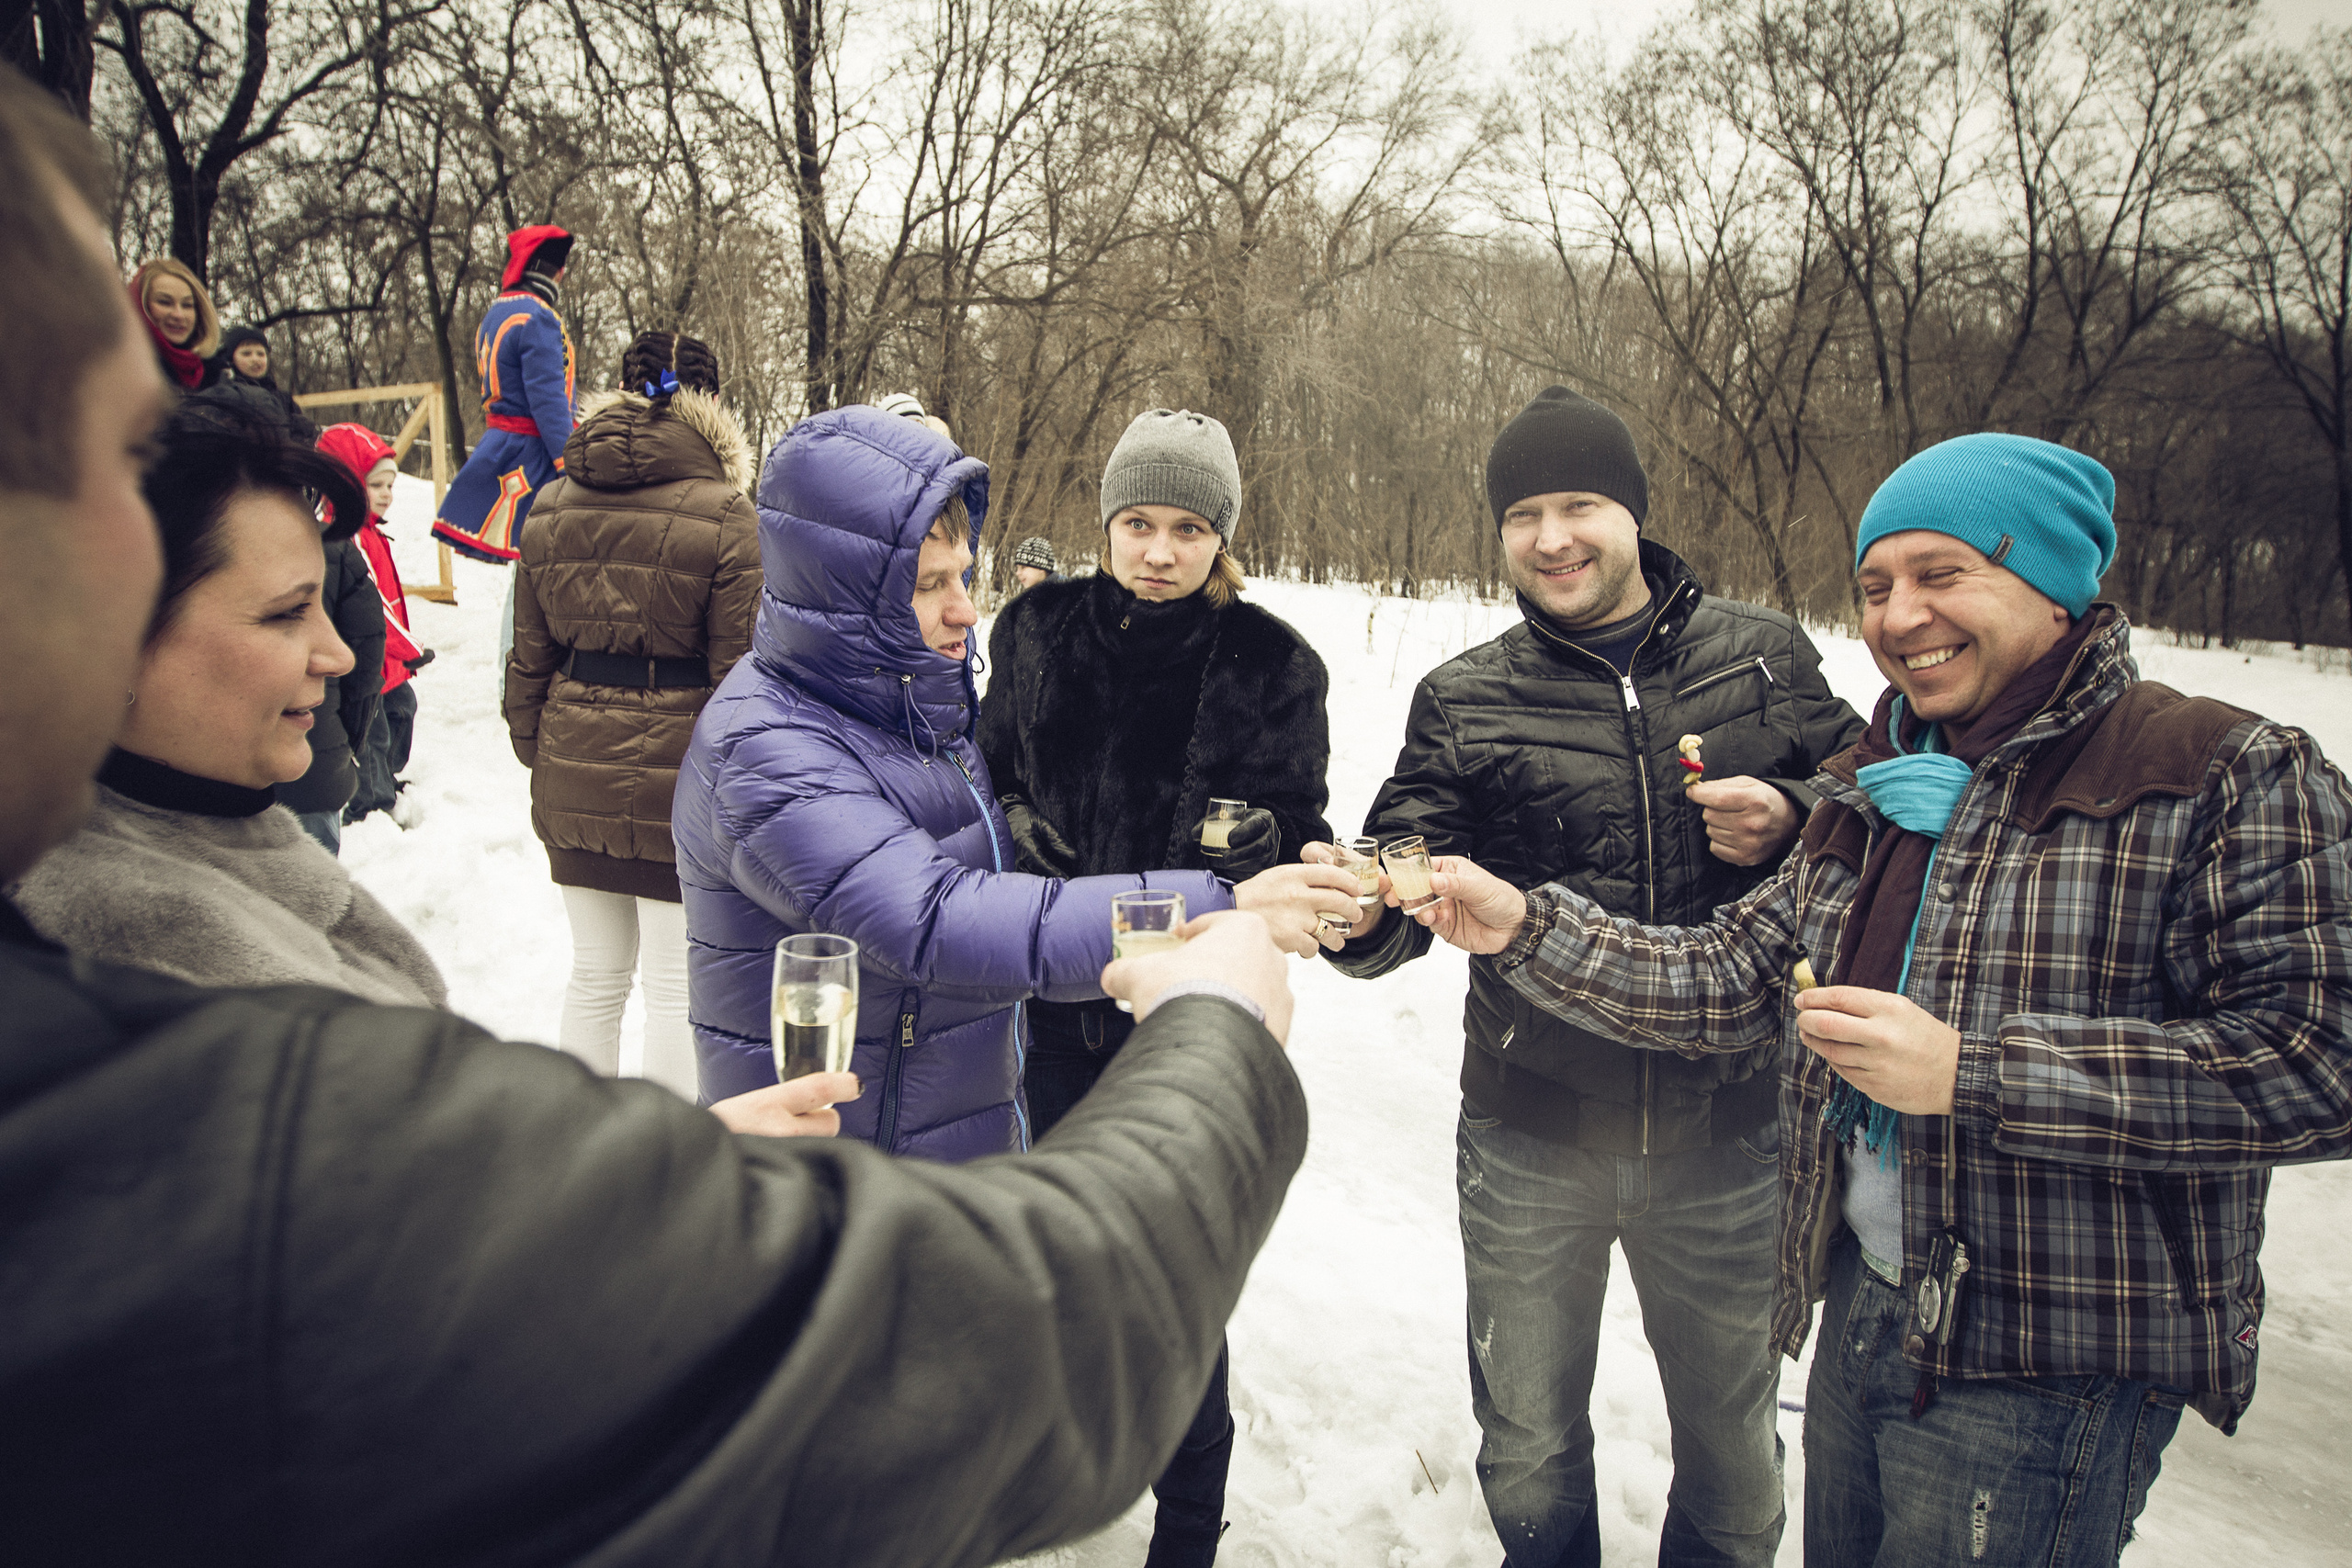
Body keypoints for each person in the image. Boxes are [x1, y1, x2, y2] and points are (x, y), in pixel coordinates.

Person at [0, 63, 1322, 1565]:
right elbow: (948, 963)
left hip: (914, 1109)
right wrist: (1202, 952)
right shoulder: (222, 1091)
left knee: (601, 985)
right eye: (119, 450)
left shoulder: (984, 684)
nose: (337, 649)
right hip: (890, 1158)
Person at [1407, 433, 2352, 1568]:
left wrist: (1972, 1075)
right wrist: (1519, 923)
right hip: (1859, 1302)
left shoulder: (2223, 770)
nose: (1900, 616)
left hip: (2041, 1346)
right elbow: (1728, 976)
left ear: (2052, 580)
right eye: (1875, 586)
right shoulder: (1875, 785)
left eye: (1942, 574)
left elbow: (2319, 1058)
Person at [1316, 386, 1863, 1568]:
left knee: (1733, 1454)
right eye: (1523, 514)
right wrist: (1364, 915)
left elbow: (1876, 809)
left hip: (1730, 1135)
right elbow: (1410, 865)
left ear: (1634, 513)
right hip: (1529, 1139)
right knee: (1523, 1441)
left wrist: (1795, 810)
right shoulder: (1465, 696)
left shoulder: (1763, 656)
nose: (1552, 539)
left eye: (1580, 506)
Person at [673, 403, 1356, 1149]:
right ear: (843, 596)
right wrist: (1216, 904)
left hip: (950, 1127)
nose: (967, 609)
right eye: (931, 584)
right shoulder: (768, 748)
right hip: (846, 1171)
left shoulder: (909, 707)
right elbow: (941, 919)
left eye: (963, 576)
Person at [978, 405, 1336, 1567]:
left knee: (1174, 1278)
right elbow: (985, 784)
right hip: (1038, 1006)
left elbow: (1300, 841)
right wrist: (1025, 834)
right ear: (1106, 523)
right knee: (1042, 1250)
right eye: (1139, 522)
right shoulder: (1031, 631)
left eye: (1188, 528)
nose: (1160, 551)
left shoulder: (1274, 665)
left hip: (1182, 1023)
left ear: (1219, 535)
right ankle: (1037, 1481)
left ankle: (1186, 1527)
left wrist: (1263, 851)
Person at [10, 404, 431, 1002]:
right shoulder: (159, 981)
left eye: (321, 608)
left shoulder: (228, 838)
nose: (336, 655)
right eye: (286, 612)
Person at [505, 331, 757, 1099]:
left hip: (572, 766)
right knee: (674, 991)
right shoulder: (727, 513)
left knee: (594, 975)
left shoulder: (550, 504)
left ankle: (578, 1152)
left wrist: (539, 748)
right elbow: (738, 677)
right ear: (711, 403)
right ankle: (661, 1167)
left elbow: (527, 657)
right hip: (676, 782)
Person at [430, 224, 577, 562]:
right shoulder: (539, 317)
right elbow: (548, 400)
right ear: (556, 271)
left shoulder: (497, 313)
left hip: (500, 444)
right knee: (538, 562)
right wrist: (569, 462)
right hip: (533, 454)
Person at [316, 423, 430, 828]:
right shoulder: (348, 537)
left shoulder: (370, 532)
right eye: (376, 486)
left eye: (391, 486)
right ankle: (369, 802)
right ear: (346, 485)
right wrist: (410, 648)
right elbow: (376, 607)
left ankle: (386, 779)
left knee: (403, 710)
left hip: (389, 657)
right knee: (373, 730)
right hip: (370, 657)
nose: (386, 495)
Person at [199, 322, 318, 446]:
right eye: (246, 353)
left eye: (261, 354)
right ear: (231, 359)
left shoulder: (283, 398)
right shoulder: (223, 396)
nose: (255, 359)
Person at [128, 254, 218, 391]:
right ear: (140, 306)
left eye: (187, 305)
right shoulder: (119, 374)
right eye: (164, 302)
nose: (178, 315)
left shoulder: (217, 377)